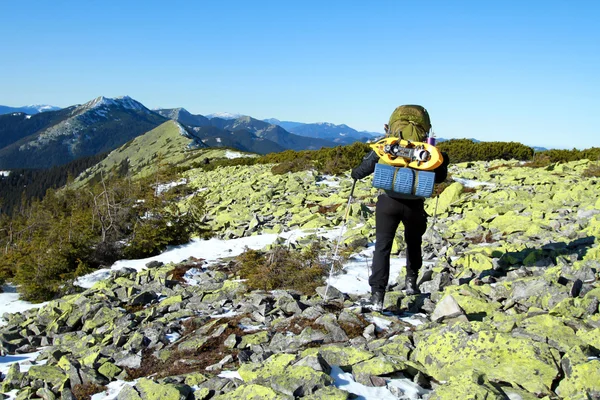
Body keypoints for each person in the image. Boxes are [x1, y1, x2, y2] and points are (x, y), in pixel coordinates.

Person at [351, 106, 449, 310]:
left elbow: (362, 171)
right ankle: (411, 284)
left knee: (383, 247)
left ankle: (378, 295)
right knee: (414, 243)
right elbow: (439, 177)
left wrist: (355, 173)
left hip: (388, 202)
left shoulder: (386, 146)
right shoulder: (428, 151)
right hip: (415, 205)